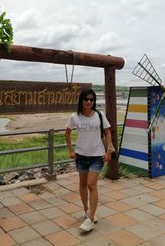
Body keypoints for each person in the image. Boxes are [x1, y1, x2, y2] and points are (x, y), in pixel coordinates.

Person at [65, 88, 112, 232]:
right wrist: (71, 150)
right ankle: (87, 210)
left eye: (92, 100)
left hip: (97, 155)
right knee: (83, 184)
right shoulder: (75, 116)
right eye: (86, 99)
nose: (89, 102)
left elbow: (107, 132)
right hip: (81, 155)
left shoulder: (99, 115)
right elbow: (67, 133)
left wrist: (109, 151)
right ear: (81, 100)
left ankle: (90, 218)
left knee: (92, 185)